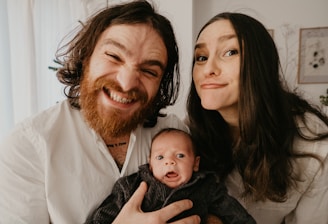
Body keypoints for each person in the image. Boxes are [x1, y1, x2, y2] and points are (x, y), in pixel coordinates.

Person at [0, 1, 200, 223]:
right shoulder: (28, 147)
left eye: (148, 71)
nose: (126, 83)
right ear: (86, 57)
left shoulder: (175, 134)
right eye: (114, 56)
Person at [187, 12, 328, 224]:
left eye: (230, 52)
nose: (208, 69)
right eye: (201, 57)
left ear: (261, 63)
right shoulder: (188, 132)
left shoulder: (315, 150)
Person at [85, 128, 256, 224]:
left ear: (195, 163)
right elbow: (102, 217)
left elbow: (235, 214)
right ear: (150, 163)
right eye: (160, 157)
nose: (170, 162)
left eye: (180, 156)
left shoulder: (206, 186)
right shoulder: (132, 186)